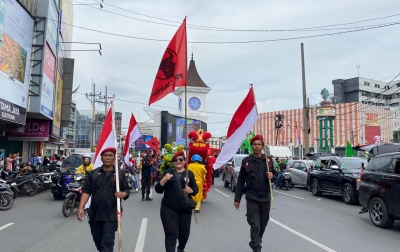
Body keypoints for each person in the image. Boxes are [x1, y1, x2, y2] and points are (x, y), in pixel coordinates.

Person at [77, 148, 130, 252]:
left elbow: (127, 190)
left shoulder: (119, 174)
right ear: (101, 158)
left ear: (114, 158)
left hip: (112, 215)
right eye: (105, 155)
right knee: (98, 242)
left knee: (107, 244)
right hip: (95, 214)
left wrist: (122, 194)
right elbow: (86, 191)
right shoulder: (93, 174)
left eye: (110, 155)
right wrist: (80, 208)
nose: (108, 158)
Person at [234, 135, 277, 252]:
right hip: (252, 197)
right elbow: (241, 181)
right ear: (251, 146)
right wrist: (237, 199)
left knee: (263, 225)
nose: (257, 147)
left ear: (262, 146)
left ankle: (254, 241)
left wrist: (272, 176)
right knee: (255, 224)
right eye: (254, 144)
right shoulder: (246, 161)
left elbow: (276, 176)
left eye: (259, 144)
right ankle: (257, 248)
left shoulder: (268, 161)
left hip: (265, 198)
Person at [155, 150, 198, 252]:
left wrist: (191, 190)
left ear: (184, 161)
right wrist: (164, 180)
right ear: (173, 162)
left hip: (185, 208)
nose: (178, 161)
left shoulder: (189, 173)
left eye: (180, 159)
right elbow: (158, 190)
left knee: (184, 234)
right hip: (169, 207)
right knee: (171, 233)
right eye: (175, 160)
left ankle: (180, 248)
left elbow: (196, 190)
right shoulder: (168, 173)